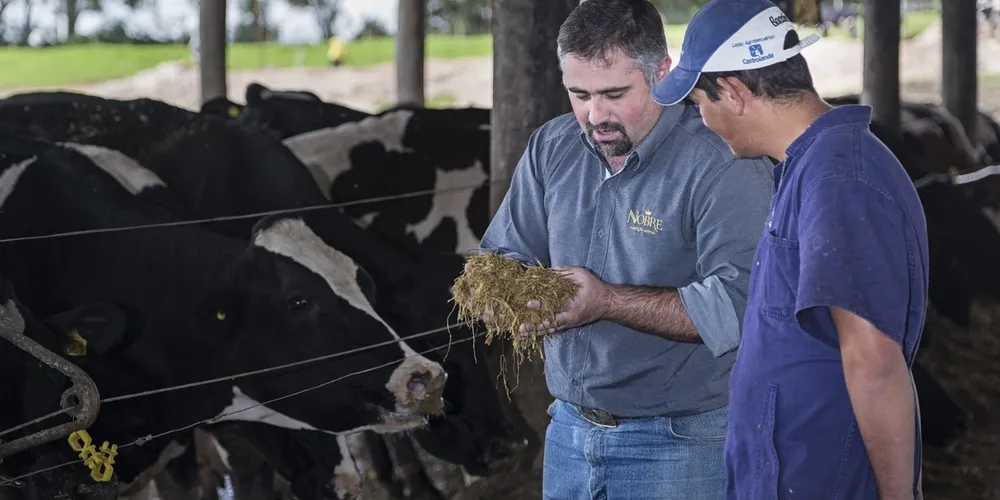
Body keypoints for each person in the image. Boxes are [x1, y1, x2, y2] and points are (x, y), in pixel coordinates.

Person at [471, 0, 774, 497]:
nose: (595, 115)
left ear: (663, 72)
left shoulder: (722, 160)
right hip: (569, 430)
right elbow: (502, 256)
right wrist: (505, 299)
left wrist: (606, 301)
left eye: (614, 94)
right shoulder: (553, 146)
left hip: (684, 440)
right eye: (578, 93)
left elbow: (742, 305)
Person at [650, 0, 929, 498]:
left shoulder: (839, 179)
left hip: (822, 474)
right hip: (791, 471)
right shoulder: (810, 167)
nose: (703, 120)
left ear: (733, 92)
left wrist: (898, 495)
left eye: (698, 103)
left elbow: (873, 360)